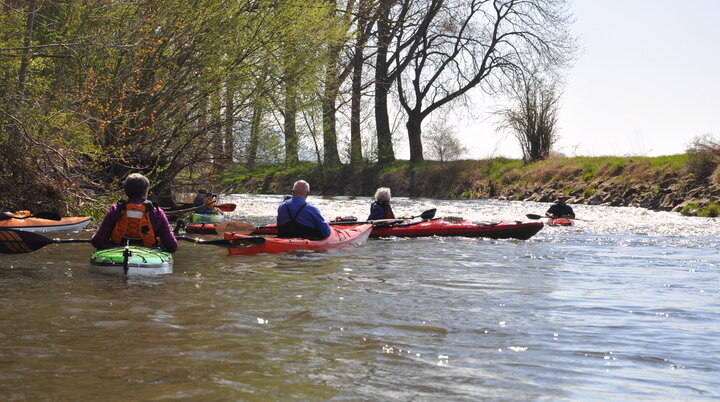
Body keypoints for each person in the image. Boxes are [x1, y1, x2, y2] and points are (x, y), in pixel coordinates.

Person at [91, 173, 178, 252]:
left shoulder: (116, 209)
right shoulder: (156, 211)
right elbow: (172, 246)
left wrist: (93, 237)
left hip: (118, 251)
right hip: (149, 254)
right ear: (145, 192)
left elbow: (98, 242)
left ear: (126, 191)